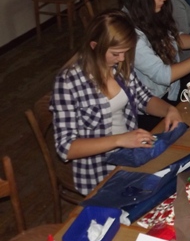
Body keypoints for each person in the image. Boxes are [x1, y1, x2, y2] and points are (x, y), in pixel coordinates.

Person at [50, 10, 183, 195]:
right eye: (116, 53)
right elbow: (66, 148)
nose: (122, 58)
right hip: (99, 172)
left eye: (125, 52)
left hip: (130, 156)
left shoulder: (119, 66)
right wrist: (120, 140)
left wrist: (169, 110)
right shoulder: (69, 82)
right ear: (94, 46)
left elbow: (144, 98)